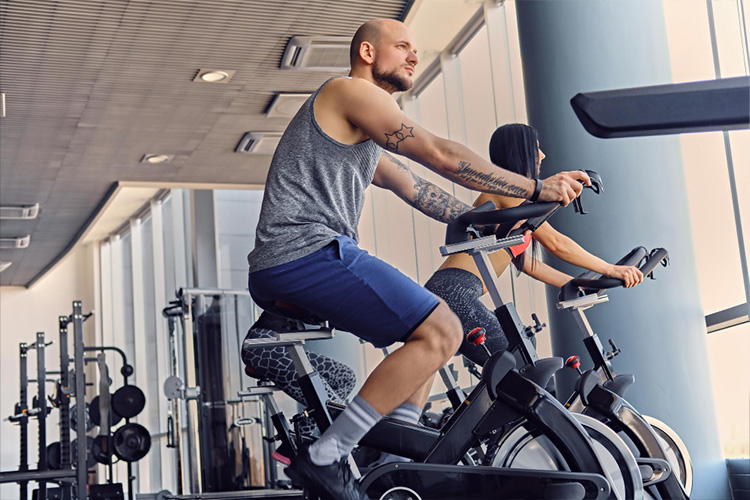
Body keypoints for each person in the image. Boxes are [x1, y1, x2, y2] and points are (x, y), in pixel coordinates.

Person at [245, 18, 589, 500]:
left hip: (290, 261)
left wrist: (499, 219)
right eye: (402, 46)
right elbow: (440, 155)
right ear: (367, 52)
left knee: (429, 337)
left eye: (415, 50)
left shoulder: (358, 133)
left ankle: (394, 450)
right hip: (306, 251)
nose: (413, 56)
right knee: (443, 330)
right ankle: (326, 457)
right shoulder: (350, 92)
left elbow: (418, 189)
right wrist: (533, 186)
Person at [424, 123, 644, 366]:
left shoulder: (515, 201)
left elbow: (528, 264)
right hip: (454, 293)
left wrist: (575, 285)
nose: (542, 155)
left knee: (523, 362)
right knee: (522, 364)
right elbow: (556, 243)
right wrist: (611, 269)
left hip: (454, 292)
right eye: (535, 149)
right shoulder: (505, 190)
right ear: (519, 153)